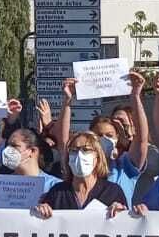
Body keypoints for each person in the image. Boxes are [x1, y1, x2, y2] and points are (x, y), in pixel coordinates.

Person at [60, 72, 151, 202]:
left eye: (109, 135)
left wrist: (135, 95)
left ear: (117, 138)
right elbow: (64, 142)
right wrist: (67, 100)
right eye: (98, 135)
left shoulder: (125, 167)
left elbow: (142, 138)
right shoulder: (80, 165)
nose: (103, 139)